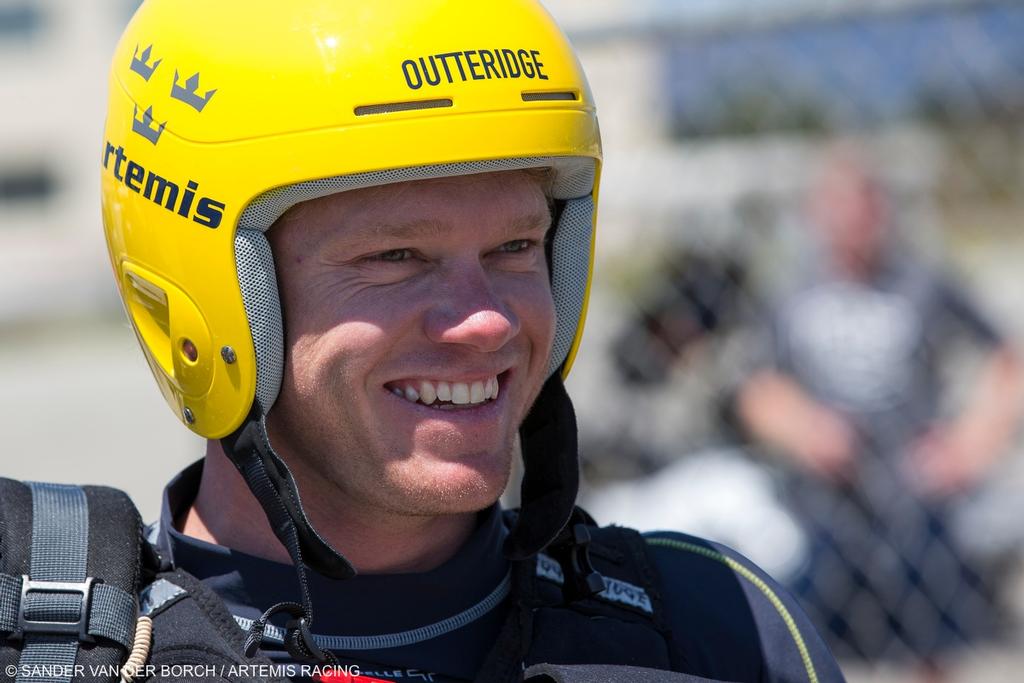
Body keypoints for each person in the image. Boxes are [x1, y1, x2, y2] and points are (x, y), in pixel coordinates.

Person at [14, 1, 842, 681]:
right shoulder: (48, 648)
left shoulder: (717, 636)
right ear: (215, 296)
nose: (486, 319)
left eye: (515, 247)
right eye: (396, 256)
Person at [735, 147, 1022, 677]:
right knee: (809, 640)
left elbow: (1005, 357)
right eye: (837, 205)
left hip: (914, 489)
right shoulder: (793, 291)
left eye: (863, 204)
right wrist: (805, 429)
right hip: (825, 498)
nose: (851, 219)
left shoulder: (922, 282)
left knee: (930, 637)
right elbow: (757, 386)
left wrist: (969, 444)